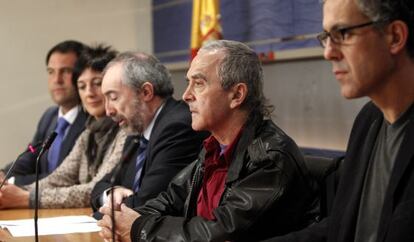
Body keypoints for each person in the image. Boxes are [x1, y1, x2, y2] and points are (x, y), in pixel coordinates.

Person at [97, 40, 318, 242]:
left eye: (199, 83)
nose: (186, 95)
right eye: (188, 83)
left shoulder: (270, 157)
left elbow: (219, 232)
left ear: (236, 95)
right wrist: (120, 219)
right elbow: (169, 200)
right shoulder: (213, 148)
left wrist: (138, 227)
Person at [264, 0, 414, 241]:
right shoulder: (367, 120)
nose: (328, 52)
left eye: (342, 33)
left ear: (394, 36)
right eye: (326, 36)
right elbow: (345, 225)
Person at [0, 44, 127, 209]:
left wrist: (27, 198)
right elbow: (60, 177)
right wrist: (8, 192)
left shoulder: (125, 131)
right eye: (82, 86)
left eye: (97, 83)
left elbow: (96, 189)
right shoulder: (89, 132)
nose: (89, 92)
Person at [90, 52, 207, 217]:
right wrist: (111, 193)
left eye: (114, 97)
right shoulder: (137, 132)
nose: (108, 110)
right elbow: (101, 185)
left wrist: (106, 210)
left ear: (146, 92)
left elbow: (146, 205)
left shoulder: (178, 127)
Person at [0, 40, 89, 185]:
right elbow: (29, 158)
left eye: (66, 71)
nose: (56, 80)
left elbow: (67, 177)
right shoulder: (50, 116)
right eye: (51, 72)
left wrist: (13, 181)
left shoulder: (92, 121)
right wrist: (3, 175)